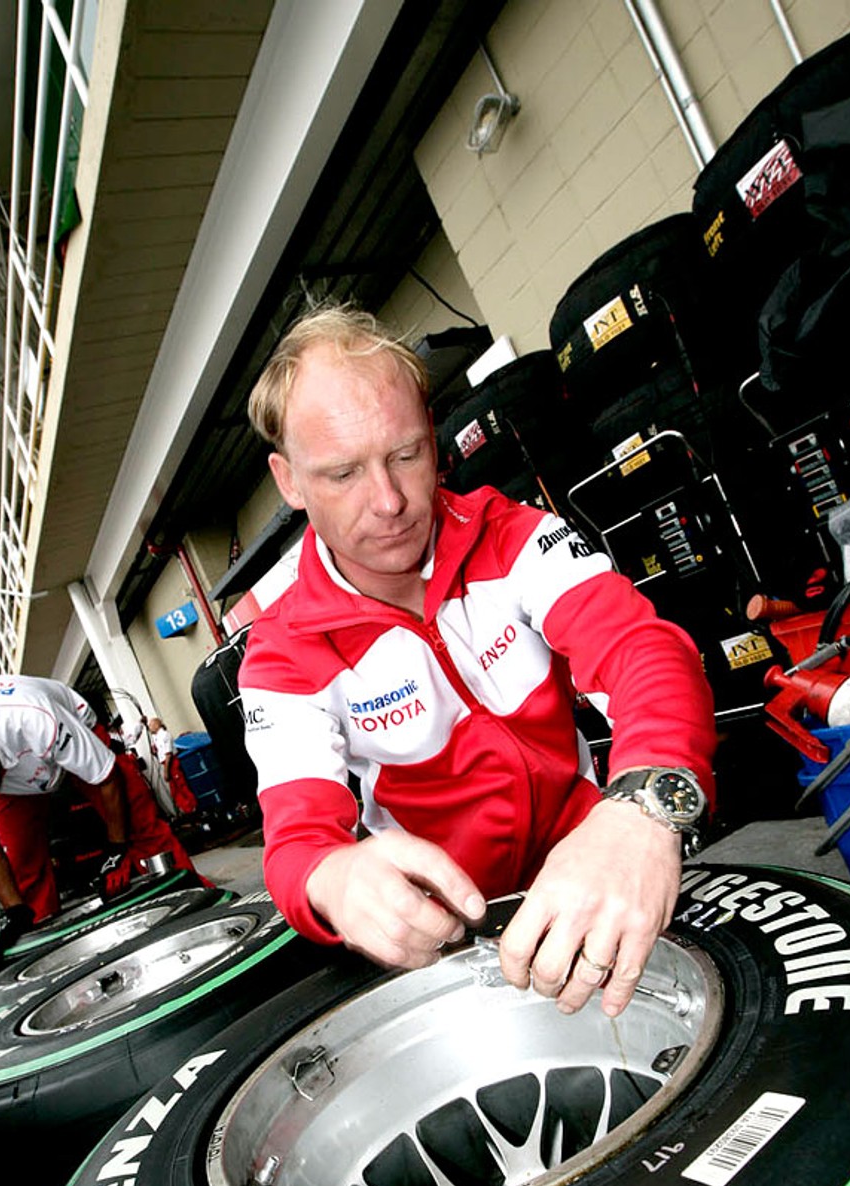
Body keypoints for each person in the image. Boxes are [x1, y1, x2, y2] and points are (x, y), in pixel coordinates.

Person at [238, 306, 717, 1018]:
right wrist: (332, 878)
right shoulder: (280, 653)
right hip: (447, 932)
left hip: (599, 861)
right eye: (342, 474)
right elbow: (298, 836)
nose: (391, 501)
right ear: (290, 483)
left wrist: (643, 814)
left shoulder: (515, 534)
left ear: (432, 438)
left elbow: (642, 650)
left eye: (405, 454)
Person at [0, 675, 199, 970]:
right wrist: (15, 911)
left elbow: (107, 779)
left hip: (72, 731)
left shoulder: (32, 718)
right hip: (6, 774)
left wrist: (116, 849)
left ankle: (198, 904)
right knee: (23, 866)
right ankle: (44, 955)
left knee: (143, 832)